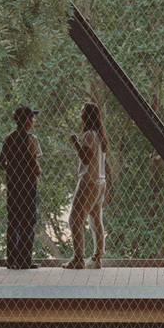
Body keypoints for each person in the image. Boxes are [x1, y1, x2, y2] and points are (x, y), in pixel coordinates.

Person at [65, 100, 109, 271]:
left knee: (74, 219)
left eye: (82, 111)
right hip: (100, 182)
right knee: (95, 219)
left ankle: (78, 258)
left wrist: (75, 142)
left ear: (87, 116)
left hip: (88, 182)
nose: (80, 114)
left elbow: (85, 158)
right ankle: (97, 257)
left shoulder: (89, 135)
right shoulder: (100, 136)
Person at [0, 106, 41, 269]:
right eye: (32, 118)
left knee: (13, 221)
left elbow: (1, 163)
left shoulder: (9, 139)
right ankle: (25, 259)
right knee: (28, 221)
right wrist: (33, 170)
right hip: (29, 185)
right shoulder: (32, 139)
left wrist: (14, 170)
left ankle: (11, 259)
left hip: (13, 185)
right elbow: (35, 164)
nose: (34, 121)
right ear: (28, 120)